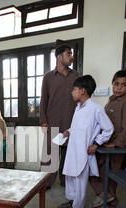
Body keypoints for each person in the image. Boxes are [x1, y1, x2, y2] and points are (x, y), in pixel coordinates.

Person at [58, 75, 114, 208]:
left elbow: (108, 129)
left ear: (82, 90)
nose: (72, 92)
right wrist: (68, 132)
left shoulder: (96, 109)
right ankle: (71, 200)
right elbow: (78, 127)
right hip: (73, 148)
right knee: (70, 175)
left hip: (83, 150)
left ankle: (77, 207)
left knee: (80, 178)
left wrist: (96, 144)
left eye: (74, 89)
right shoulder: (78, 108)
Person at [89, 70, 126, 208]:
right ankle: (106, 196)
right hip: (107, 143)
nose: (119, 88)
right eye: (116, 84)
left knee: (113, 173)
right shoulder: (111, 101)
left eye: (123, 85)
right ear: (112, 84)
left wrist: (116, 143)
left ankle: (112, 200)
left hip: (117, 146)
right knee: (101, 170)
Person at [40, 40, 79, 189]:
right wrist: (43, 121)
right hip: (53, 122)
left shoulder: (75, 75)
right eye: (68, 53)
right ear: (59, 56)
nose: (71, 57)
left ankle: (66, 181)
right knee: (51, 155)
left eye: (72, 54)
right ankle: (45, 183)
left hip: (71, 122)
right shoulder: (49, 77)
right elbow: (44, 99)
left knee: (68, 154)